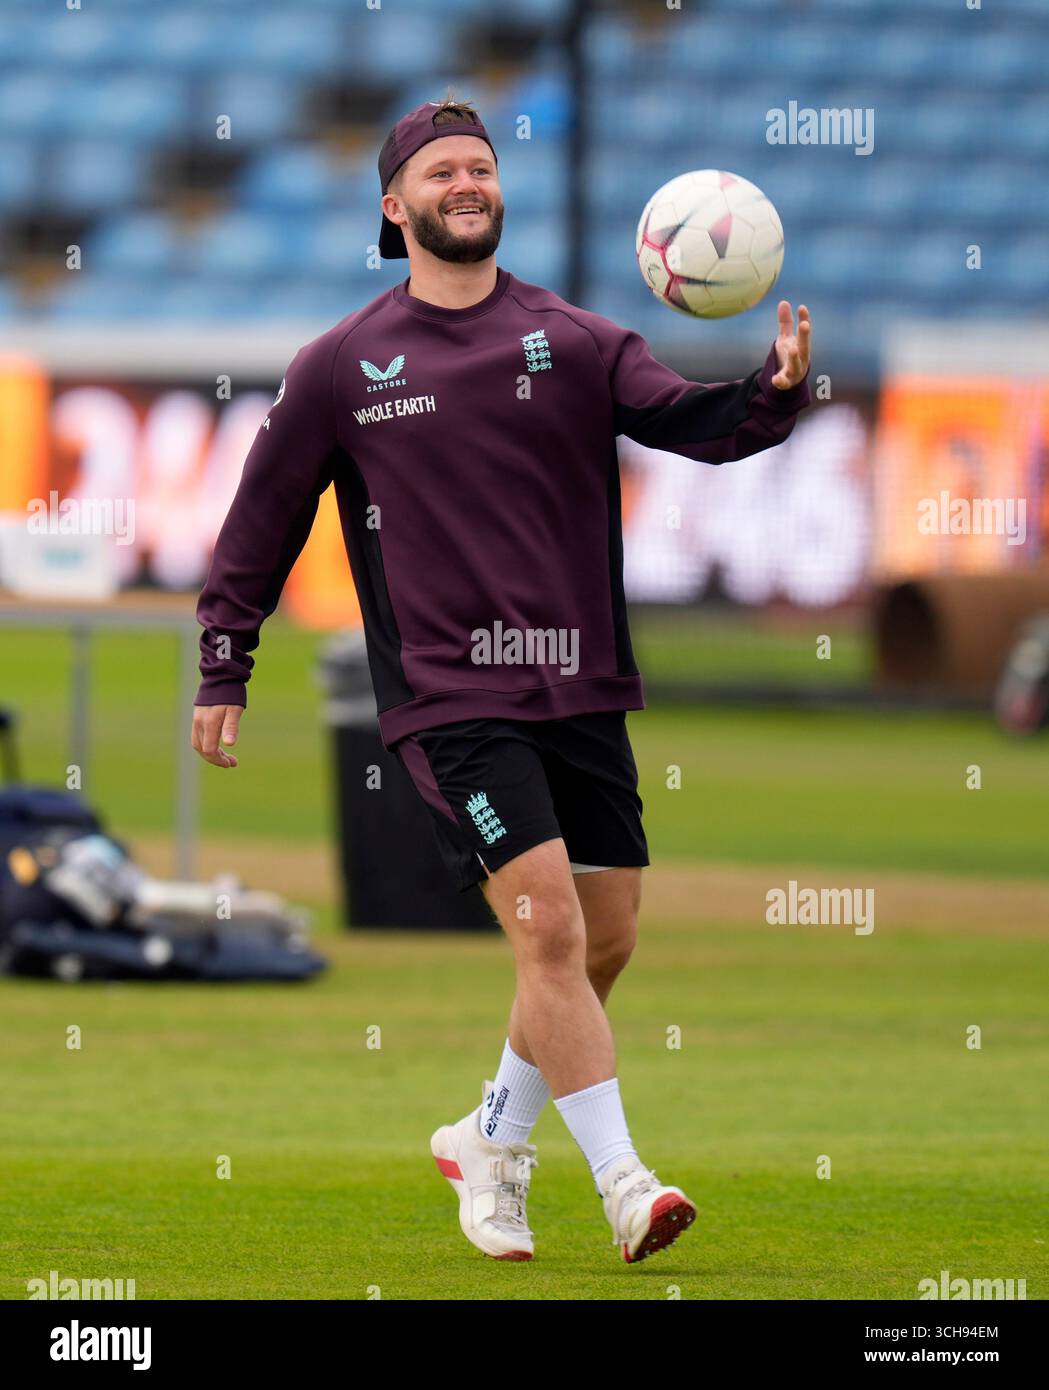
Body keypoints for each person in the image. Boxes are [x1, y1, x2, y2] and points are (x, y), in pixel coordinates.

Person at [192, 95, 813, 1264]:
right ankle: (625, 1184)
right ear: (395, 206)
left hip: (578, 685)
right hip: (449, 697)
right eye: (441, 173)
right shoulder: (339, 366)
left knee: (606, 937)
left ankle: (487, 1137)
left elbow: (692, 423)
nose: (466, 183)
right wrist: (224, 664)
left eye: (479, 167)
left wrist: (774, 388)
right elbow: (255, 529)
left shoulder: (573, 339)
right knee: (549, 930)